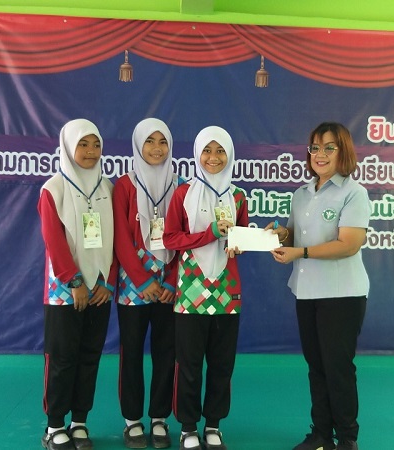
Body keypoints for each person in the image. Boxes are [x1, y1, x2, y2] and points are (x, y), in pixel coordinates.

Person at [268, 122, 370, 450]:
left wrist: (300, 252)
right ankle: (322, 434)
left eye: (329, 147)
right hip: (306, 291)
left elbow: (348, 244)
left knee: (338, 369)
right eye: (315, 147)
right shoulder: (301, 194)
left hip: (342, 294)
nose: (320, 154)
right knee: (316, 367)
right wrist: (280, 235)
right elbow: (293, 236)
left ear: (343, 151)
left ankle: (347, 438)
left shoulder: (353, 192)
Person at [163, 126, 248, 450]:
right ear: (197, 154)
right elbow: (171, 238)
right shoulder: (183, 193)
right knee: (189, 364)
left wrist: (245, 241)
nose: (213, 158)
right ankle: (188, 427)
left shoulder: (238, 196)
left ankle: (213, 425)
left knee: (222, 364)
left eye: (220, 151)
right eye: (207, 151)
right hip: (190, 292)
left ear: (230, 154)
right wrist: (210, 232)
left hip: (227, 292)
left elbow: (240, 236)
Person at [38, 119, 117, 450]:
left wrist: (108, 282)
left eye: (96, 145)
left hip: (100, 289)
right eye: (83, 144)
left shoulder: (107, 187)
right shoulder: (53, 189)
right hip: (65, 290)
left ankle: (80, 421)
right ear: (69, 147)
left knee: (90, 356)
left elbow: (116, 240)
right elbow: (53, 240)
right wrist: (74, 281)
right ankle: (55, 425)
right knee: (62, 357)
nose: (91, 152)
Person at [113, 118, 181, 449]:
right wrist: (142, 281)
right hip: (133, 285)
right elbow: (120, 239)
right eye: (149, 142)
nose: (156, 148)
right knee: (132, 352)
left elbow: (184, 238)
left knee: (166, 352)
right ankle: (132, 420)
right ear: (138, 146)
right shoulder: (124, 186)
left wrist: (171, 281)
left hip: (169, 285)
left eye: (162, 141)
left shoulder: (181, 186)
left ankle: (159, 418)